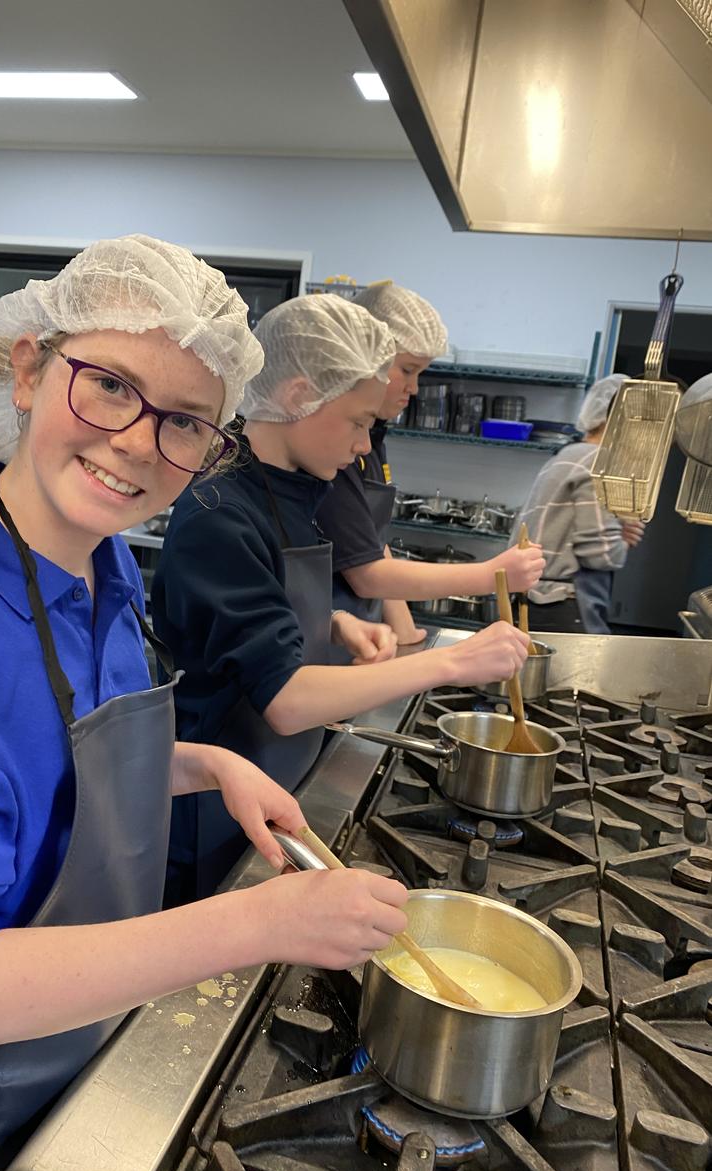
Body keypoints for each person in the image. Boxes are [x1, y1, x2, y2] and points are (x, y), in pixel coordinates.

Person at [0, 237, 417, 1171]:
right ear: (28, 371)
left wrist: (203, 763)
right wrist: (258, 922)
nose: (138, 442)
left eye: (185, 423)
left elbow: (44, 766)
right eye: (109, 386)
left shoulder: (106, 567)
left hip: (61, 1067)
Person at [152, 292, 531, 903]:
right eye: (358, 422)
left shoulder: (293, 489)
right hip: (216, 810)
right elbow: (284, 701)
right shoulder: (219, 512)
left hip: (280, 777)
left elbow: (249, 616)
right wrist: (452, 662)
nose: (364, 446)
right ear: (299, 396)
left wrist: (329, 623)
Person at [316, 282, 544, 647]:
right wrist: (492, 574)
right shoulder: (333, 447)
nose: (415, 388)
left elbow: (371, 543)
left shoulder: (371, 438)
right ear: (365, 358)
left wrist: (407, 634)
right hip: (327, 643)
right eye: (407, 370)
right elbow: (367, 575)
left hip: (363, 640)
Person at [511, 372, 644, 633]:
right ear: (621, 418)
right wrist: (623, 541)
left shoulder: (567, 455)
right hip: (562, 603)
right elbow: (600, 555)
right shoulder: (599, 460)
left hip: (533, 598)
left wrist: (616, 530)